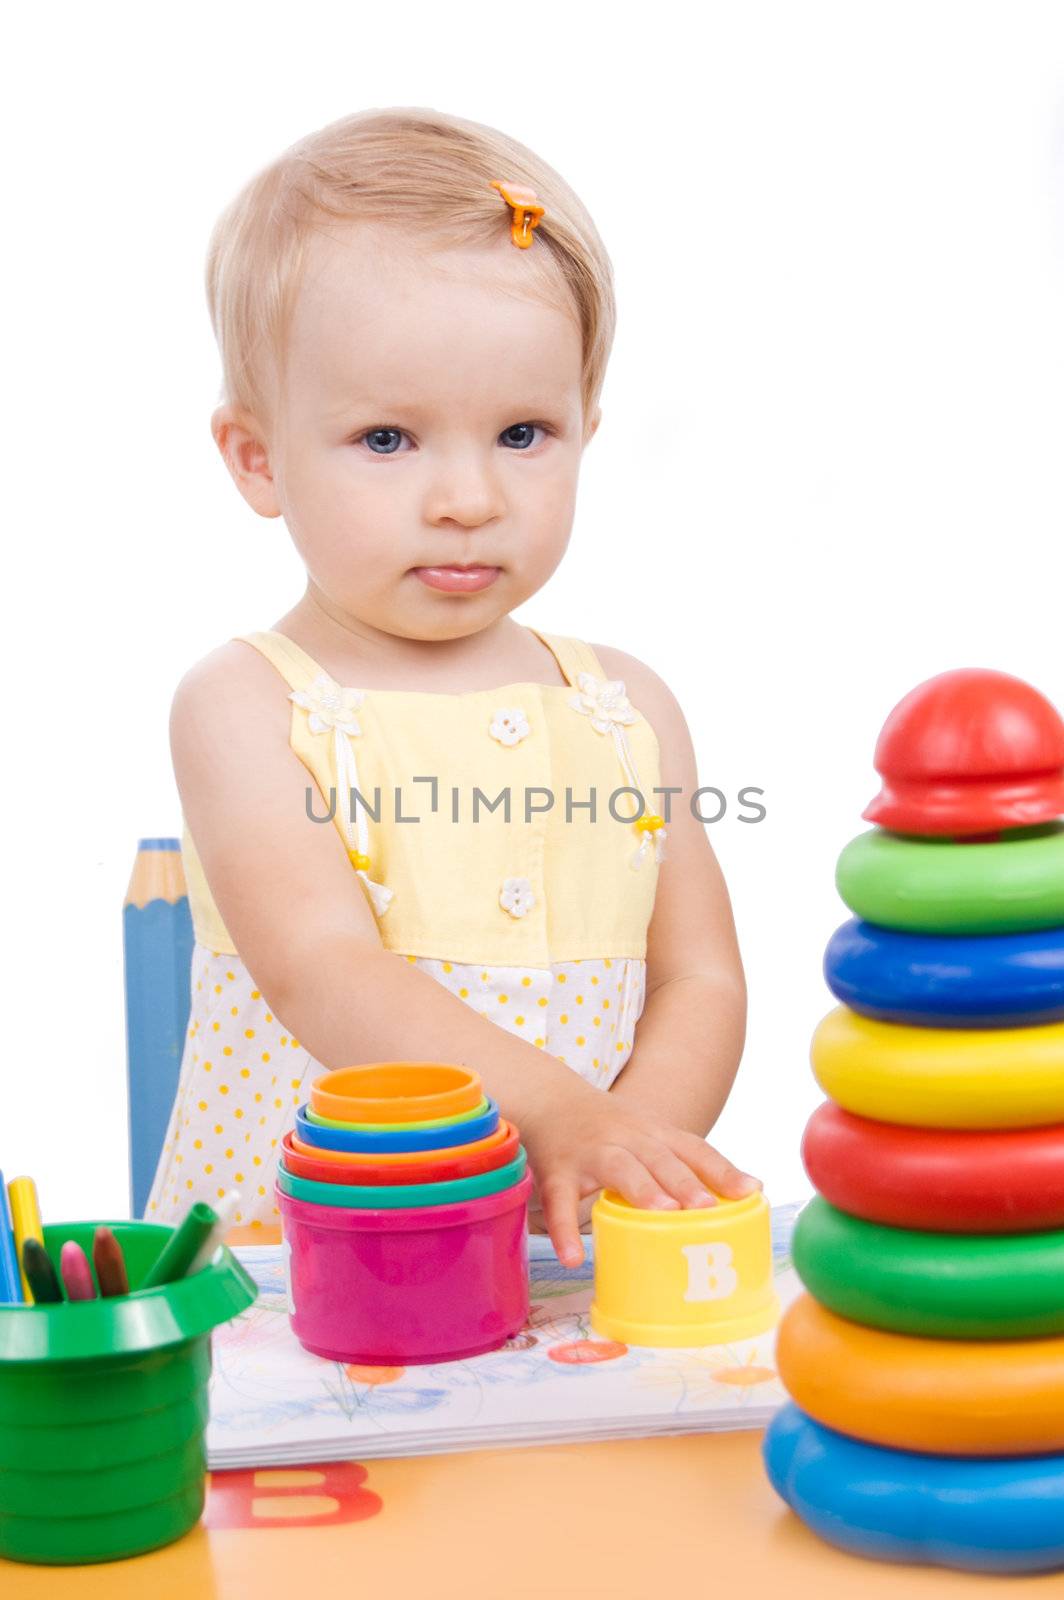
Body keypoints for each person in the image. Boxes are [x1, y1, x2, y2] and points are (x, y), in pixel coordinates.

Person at [147, 106, 759, 1266]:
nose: (468, 497)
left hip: (556, 1254)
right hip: (302, 1272)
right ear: (258, 457)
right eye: (387, 440)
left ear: (586, 426)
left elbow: (699, 972)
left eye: (523, 433)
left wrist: (631, 1145)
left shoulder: (626, 708)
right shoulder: (245, 704)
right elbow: (323, 965)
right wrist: (560, 1112)